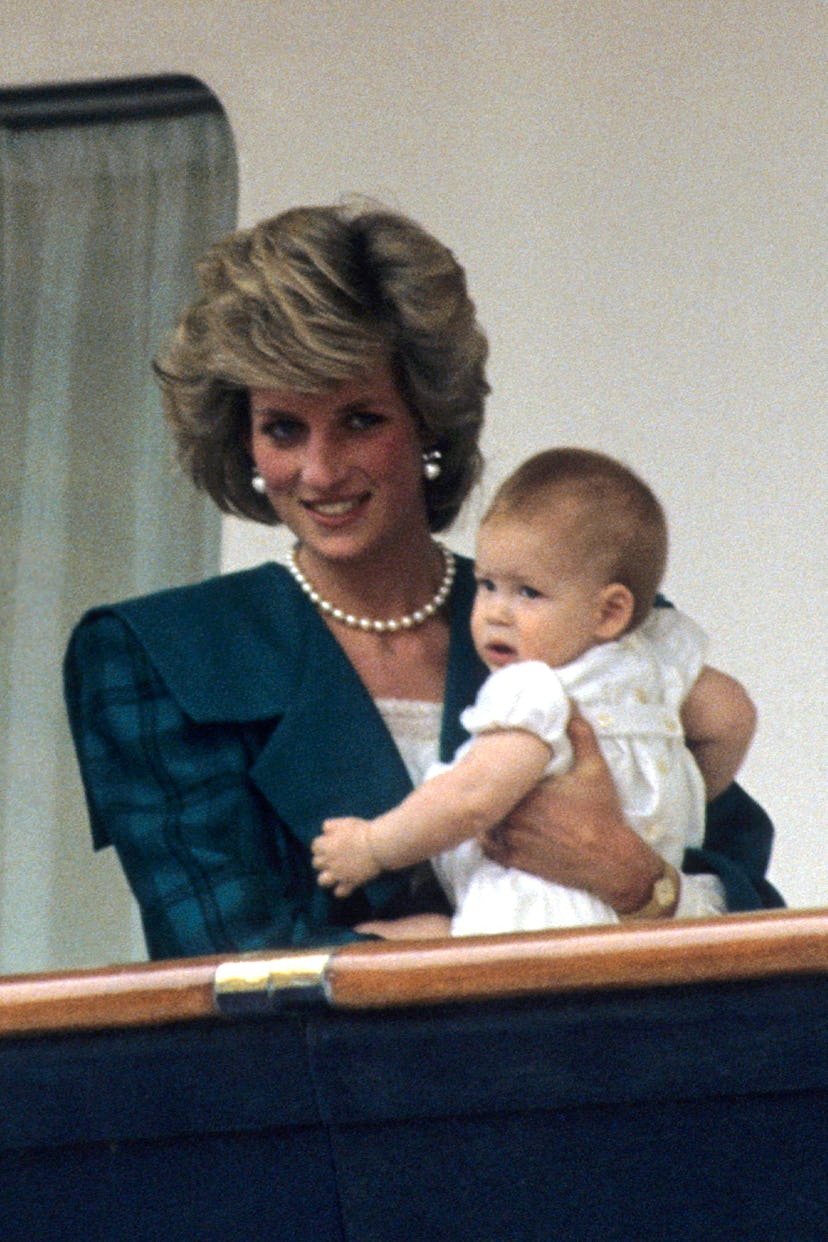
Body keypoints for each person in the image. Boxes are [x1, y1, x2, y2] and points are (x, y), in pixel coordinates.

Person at [63, 202, 782, 962]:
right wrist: (435, 954)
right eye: (283, 428)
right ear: (241, 439)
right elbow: (221, 951)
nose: (321, 469)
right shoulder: (160, 656)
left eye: (361, 419)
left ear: (428, 419)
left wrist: (634, 880)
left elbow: (754, 908)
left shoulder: (583, 615)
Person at [312, 447, 755, 934]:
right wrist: (673, 799)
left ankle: (439, 933)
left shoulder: (534, 689)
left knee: (448, 935)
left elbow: (470, 799)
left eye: (528, 593)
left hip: (537, 918)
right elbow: (733, 718)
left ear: (609, 612)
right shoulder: (650, 661)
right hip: (633, 921)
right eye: (486, 584)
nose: (497, 612)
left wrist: (373, 846)